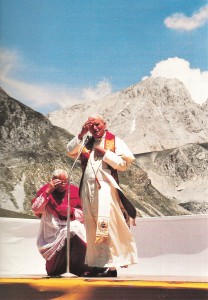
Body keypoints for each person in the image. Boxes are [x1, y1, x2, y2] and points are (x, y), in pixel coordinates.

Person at [66, 114, 138, 277]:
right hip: (87, 186)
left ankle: (111, 267)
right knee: (91, 226)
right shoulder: (87, 141)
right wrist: (81, 134)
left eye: (97, 124)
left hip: (104, 186)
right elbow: (70, 151)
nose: (94, 128)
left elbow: (123, 164)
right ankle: (97, 265)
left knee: (106, 223)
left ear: (104, 124)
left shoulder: (115, 141)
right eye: (91, 125)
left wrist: (105, 152)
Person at [31, 169, 91, 277]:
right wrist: (48, 191)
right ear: (53, 180)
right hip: (52, 230)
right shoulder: (46, 189)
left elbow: (85, 215)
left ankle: (80, 269)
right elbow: (36, 209)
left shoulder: (74, 190)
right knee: (55, 267)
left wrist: (71, 211)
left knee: (74, 228)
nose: (62, 185)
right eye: (58, 182)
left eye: (64, 182)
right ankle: (57, 269)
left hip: (70, 225)